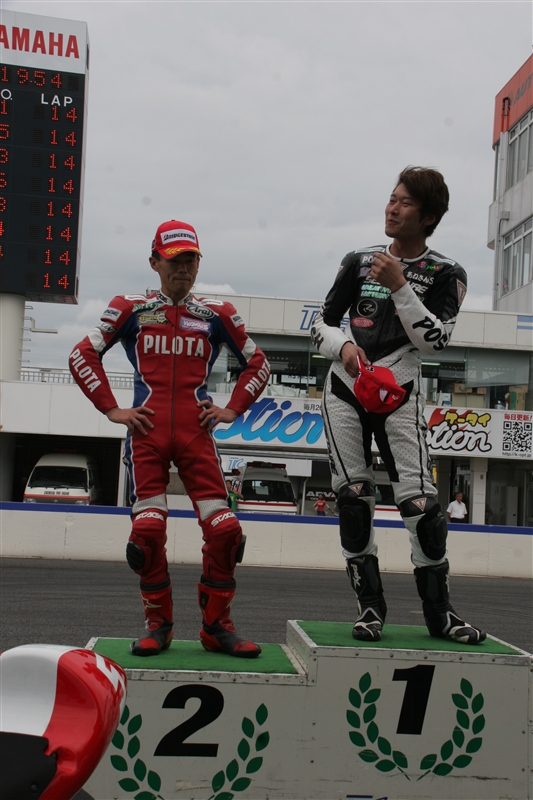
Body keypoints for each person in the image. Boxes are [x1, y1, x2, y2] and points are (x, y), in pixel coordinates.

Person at [69, 220, 270, 658]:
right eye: (174, 259)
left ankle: (217, 629)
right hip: (146, 436)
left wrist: (232, 409)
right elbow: (81, 354)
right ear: (154, 262)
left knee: (226, 532)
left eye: (191, 259)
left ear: (198, 264)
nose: (183, 267)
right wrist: (112, 409)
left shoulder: (217, 313)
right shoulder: (129, 307)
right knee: (146, 532)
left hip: (198, 438)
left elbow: (259, 364)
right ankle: (158, 626)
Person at [311, 166, 485, 645]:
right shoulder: (358, 260)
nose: (392, 208)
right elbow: (320, 324)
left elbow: (436, 341)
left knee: (422, 507)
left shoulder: (447, 272)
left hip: (400, 391)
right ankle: (370, 609)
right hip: (344, 388)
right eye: (392, 198)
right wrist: (343, 347)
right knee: (352, 501)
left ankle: (440, 614)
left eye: (405, 202)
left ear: (428, 217)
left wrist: (400, 286)